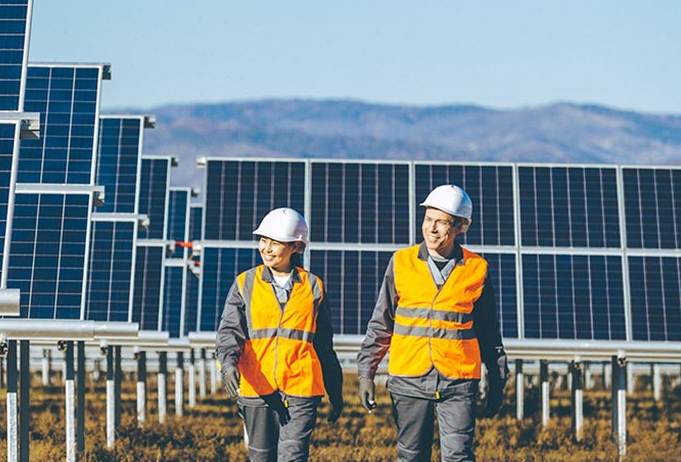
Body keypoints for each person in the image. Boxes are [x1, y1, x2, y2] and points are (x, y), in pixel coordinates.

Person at [356, 184, 509, 462]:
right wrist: (367, 372)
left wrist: (497, 379)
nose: (432, 228)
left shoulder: (477, 269)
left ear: (461, 226)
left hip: (458, 380)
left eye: (441, 222)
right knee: (411, 456)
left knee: (458, 456)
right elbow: (381, 322)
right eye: (428, 219)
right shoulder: (401, 262)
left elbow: (488, 331)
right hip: (409, 379)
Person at [215, 207, 345, 462]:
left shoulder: (313, 286)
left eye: (275, 243)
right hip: (258, 387)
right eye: (263, 241)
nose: (266, 248)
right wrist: (228, 366)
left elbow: (323, 345)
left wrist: (335, 388)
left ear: (296, 246)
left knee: (293, 457)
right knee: (261, 457)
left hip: (302, 389)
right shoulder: (245, 283)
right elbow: (230, 331)